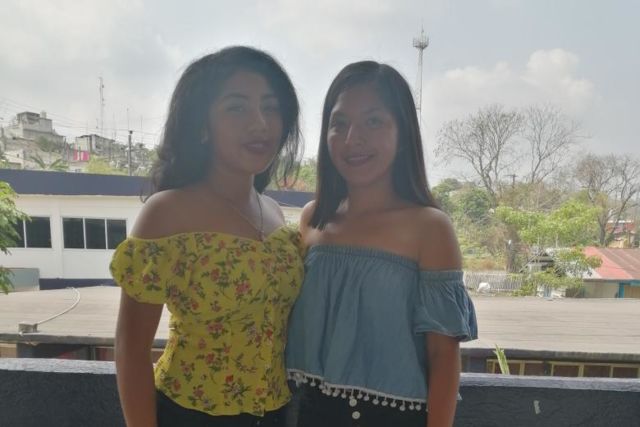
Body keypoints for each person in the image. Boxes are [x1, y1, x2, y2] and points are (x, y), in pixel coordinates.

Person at [110, 46, 304, 427]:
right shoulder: (167, 213)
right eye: (237, 108)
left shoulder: (275, 214)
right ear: (202, 125)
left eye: (270, 107)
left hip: (274, 415)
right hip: (189, 415)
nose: (260, 123)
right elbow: (131, 348)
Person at [285, 61, 478, 427]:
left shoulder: (430, 227)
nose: (352, 138)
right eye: (339, 123)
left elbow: (443, 357)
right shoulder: (313, 218)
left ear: (403, 134)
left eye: (373, 121)